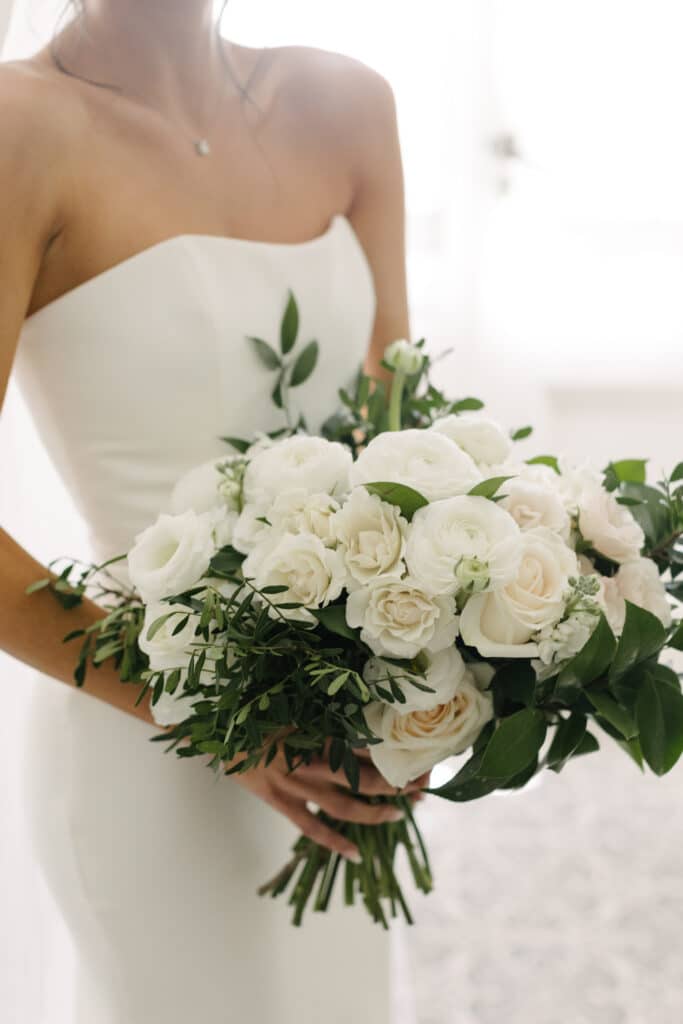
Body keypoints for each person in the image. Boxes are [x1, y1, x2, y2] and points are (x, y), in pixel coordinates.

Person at [0, 2, 427, 1020]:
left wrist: (438, 656)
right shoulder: (18, 126)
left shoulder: (348, 102)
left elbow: (403, 447)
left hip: (336, 740)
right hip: (140, 731)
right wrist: (210, 717)